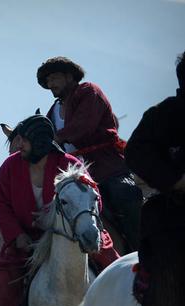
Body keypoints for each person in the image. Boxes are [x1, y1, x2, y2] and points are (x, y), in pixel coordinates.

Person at [0, 114, 119, 306]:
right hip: (26, 238)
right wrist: (16, 236)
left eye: (23, 141)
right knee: (2, 276)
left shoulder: (69, 164)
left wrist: (81, 224)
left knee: (112, 266)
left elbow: (94, 198)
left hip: (70, 233)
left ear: (38, 142)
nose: (18, 147)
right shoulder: (10, 167)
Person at [125, 49, 185, 306]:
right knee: (169, 272)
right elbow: (135, 153)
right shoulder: (164, 115)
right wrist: (175, 179)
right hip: (176, 217)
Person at [37, 56, 142, 253]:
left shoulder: (89, 91)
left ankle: (143, 252)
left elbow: (83, 126)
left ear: (69, 76)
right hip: (75, 173)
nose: (50, 84)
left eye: (55, 78)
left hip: (106, 167)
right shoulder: (53, 110)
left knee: (125, 194)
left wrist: (55, 139)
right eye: (48, 81)